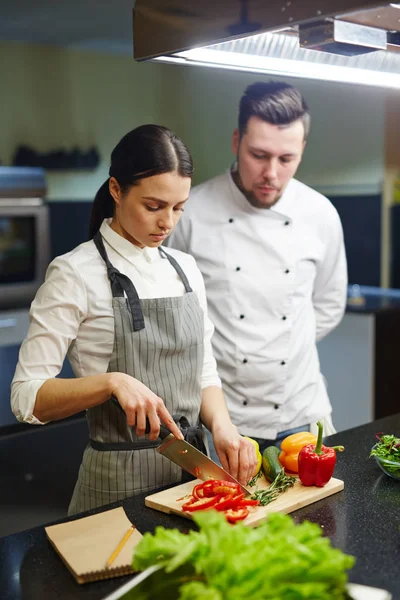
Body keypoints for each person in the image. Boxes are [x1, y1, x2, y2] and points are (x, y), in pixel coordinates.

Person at [11, 124, 256, 515]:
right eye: (154, 206)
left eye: (179, 208)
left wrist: (223, 426)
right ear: (115, 190)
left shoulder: (185, 269)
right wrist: (112, 382)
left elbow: (202, 370)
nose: (168, 223)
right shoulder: (75, 272)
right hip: (116, 488)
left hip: (194, 479)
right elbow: (26, 398)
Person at [166, 82, 348, 456]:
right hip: (224, 424)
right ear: (236, 141)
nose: (271, 173)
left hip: (302, 412)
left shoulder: (321, 215)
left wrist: (282, 345)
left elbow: (329, 306)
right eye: (259, 155)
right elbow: (175, 316)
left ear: (302, 151)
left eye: (286, 159)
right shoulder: (191, 214)